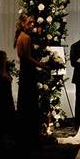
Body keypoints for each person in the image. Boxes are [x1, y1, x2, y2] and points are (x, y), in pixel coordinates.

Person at [15, 13, 50, 146]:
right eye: (29, 23)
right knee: (30, 100)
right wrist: (42, 65)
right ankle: (31, 134)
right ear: (23, 23)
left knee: (25, 100)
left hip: (24, 72)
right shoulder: (26, 37)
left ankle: (25, 133)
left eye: (33, 22)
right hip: (28, 72)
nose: (32, 25)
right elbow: (28, 58)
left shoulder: (19, 36)